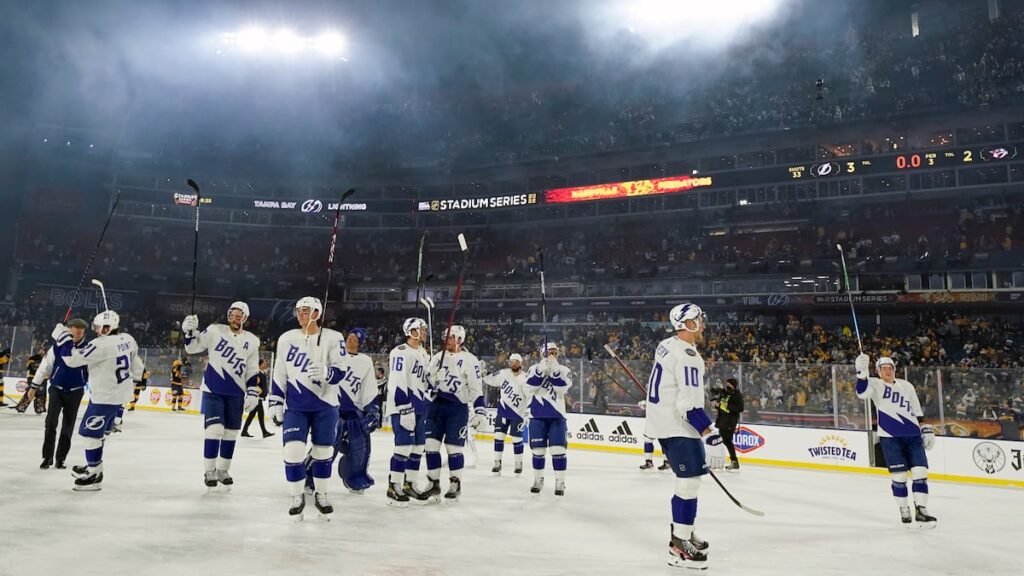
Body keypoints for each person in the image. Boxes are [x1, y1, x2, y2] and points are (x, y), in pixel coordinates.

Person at [645, 303, 724, 569]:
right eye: (698, 319)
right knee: (688, 483)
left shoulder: (666, 344)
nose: (703, 323)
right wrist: (710, 434)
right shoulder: (688, 355)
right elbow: (689, 405)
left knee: (689, 482)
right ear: (687, 324)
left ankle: (684, 531)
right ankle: (679, 544)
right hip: (678, 427)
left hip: (665, 423)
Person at [267, 296, 346, 520]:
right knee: (292, 452)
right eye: (299, 310)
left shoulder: (333, 338)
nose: (300, 314)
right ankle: (296, 496)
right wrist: (275, 400)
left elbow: (341, 371)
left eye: (306, 310)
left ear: (317, 313)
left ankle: (321, 494)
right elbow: (279, 372)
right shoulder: (286, 339)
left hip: (326, 405)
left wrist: (327, 372)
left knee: (323, 453)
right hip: (296, 406)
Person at [58, 310, 145, 491]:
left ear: (107, 328)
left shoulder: (99, 344)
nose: (96, 330)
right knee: (99, 435)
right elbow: (138, 366)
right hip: (118, 396)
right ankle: (92, 465)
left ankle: (95, 475)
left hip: (104, 397)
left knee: (89, 435)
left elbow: (71, 360)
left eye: (98, 327)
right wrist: (133, 384)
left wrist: (63, 339)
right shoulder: (128, 339)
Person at [182, 302, 262, 490]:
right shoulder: (214, 331)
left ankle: (223, 470)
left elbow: (252, 368)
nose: (235, 318)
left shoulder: (252, 340)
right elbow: (192, 348)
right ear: (228, 316)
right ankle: (209, 470)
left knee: (230, 434)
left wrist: (252, 391)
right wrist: (189, 332)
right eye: (232, 315)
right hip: (213, 390)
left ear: (245, 318)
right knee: (214, 430)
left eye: (239, 315)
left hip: (236, 393)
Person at [855, 354, 937, 528]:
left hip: (913, 436)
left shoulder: (906, 386)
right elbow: (862, 393)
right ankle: (904, 508)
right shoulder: (875, 384)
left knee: (920, 473)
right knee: (899, 476)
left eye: (890, 368)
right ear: (878, 371)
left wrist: (924, 428)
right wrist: (861, 373)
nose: (887, 370)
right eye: (883, 368)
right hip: (890, 437)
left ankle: (921, 510)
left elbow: (916, 409)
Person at [305, 328, 380, 495]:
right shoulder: (334, 356)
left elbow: (369, 387)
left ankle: (355, 479)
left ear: (360, 342)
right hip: (333, 411)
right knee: (326, 448)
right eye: (350, 336)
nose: (351, 339)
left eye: (355, 338)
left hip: (354, 412)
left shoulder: (365, 361)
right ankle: (309, 477)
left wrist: (372, 409)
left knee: (361, 449)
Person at [423, 325, 485, 503]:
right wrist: (433, 377)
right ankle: (433, 484)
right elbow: (427, 383)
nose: (446, 340)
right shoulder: (437, 357)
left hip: (457, 409)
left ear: (459, 339)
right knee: (431, 447)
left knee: (453, 449)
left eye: (450, 337)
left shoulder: (469, 360)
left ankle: (455, 484)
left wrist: (480, 410)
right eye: (445, 337)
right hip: (435, 406)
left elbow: (476, 389)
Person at [385, 317, 431, 507]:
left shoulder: (423, 353)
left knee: (418, 447)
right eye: (421, 329)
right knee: (403, 447)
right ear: (411, 331)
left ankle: (409, 483)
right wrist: (404, 407)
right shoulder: (400, 352)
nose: (425, 332)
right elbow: (397, 379)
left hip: (420, 405)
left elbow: (425, 380)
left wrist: (436, 379)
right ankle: (393, 486)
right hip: (403, 406)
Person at [33, 318, 90, 469]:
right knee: (50, 422)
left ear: (84, 331)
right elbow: (45, 367)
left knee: (68, 426)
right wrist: (34, 386)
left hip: (76, 392)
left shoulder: (89, 349)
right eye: (74, 327)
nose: (77, 331)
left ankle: (61, 458)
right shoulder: (57, 347)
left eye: (80, 328)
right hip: (56, 389)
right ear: (68, 329)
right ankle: (47, 457)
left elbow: (92, 372)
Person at [524, 342, 573, 496]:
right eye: (549, 351)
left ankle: (560, 481)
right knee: (538, 451)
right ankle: (538, 479)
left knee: (558, 450)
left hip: (557, 416)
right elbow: (530, 387)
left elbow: (562, 387)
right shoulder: (533, 369)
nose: (552, 354)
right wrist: (540, 371)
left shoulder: (564, 370)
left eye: (555, 352)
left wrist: (554, 372)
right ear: (542, 353)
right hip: (537, 415)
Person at [484, 353, 528, 476]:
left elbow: (530, 395)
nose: (513, 363)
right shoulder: (503, 373)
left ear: (520, 363)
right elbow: (490, 379)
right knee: (498, 437)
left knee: (517, 439)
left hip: (518, 413)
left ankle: (518, 463)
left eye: (516, 361)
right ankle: (497, 462)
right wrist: (482, 373)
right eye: (512, 361)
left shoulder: (526, 378)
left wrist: (528, 411)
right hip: (503, 411)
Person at [715, 378, 744, 471]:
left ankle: (720, 461)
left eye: (729, 384)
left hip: (730, 422)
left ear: (734, 385)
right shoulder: (724, 393)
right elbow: (718, 405)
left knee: (723, 441)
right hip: (722, 421)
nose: (727, 385)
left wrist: (728, 406)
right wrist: (717, 404)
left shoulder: (737, 394)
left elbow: (740, 408)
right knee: (726, 441)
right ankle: (734, 461)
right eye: (727, 383)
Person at [241, 359, 274, 438]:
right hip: (257, 397)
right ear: (260, 365)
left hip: (259, 398)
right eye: (264, 363)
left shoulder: (262, 373)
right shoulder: (257, 373)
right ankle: (264, 432)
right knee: (260, 414)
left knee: (252, 415)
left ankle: (244, 431)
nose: (266, 364)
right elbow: (255, 384)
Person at [638, 400, 670, 471]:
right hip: (657, 420)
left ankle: (650, 462)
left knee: (650, 440)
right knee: (650, 440)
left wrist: (647, 404)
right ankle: (666, 462)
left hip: (658, 420)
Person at [14, 348, 47, 413]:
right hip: (32, 377)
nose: (41, 351)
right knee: (30, 392)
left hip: (43, 378)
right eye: (40, 349)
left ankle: (39, 408)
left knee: (41, 393)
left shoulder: (47, 358)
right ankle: (22, 406)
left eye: (43, 350)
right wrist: (37, 365)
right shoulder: (33, 357)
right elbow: (29, 366)